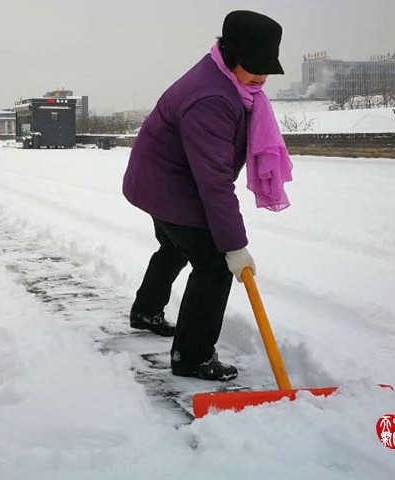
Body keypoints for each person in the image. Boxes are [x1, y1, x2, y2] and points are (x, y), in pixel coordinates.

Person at [123, 10, 292, 381]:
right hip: (168, 184)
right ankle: (192, 356)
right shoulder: (213, 98)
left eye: (267, 68)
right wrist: (234, 245)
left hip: (158, 177)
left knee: (175, 245)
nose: (261, 77)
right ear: (231, 55)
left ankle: (146, 311)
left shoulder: (227, 79)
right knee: (214, 264)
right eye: (254, 67)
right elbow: (213, 183)